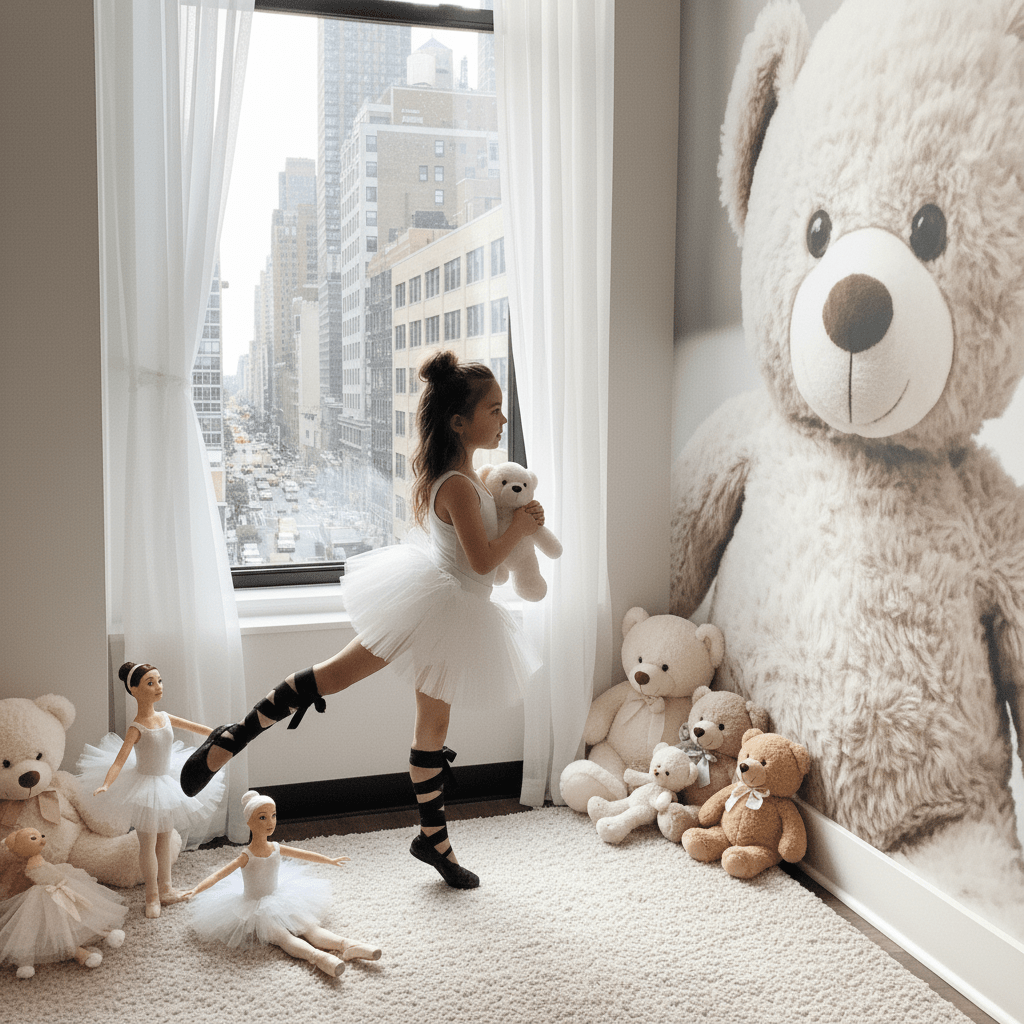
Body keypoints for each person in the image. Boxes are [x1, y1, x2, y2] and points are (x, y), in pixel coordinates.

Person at [181, 350, 544, 888]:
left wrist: (515, 515)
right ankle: (231, 738)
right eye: (494, 409)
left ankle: (434, 840)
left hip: (452, 611)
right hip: (437, 607)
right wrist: (522, 529)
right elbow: (483, 562)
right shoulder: (457, 485)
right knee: (337, 675)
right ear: (458, 422)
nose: (504, 418)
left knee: (433, 726)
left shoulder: (471, 477)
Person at [77, 661, 225, 917]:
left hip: (168, 781)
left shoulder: (165, 717)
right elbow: (120, 760)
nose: (158, 687)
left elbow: (198, 728)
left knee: (165, 839)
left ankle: (166, 889)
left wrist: (223, 735)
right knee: (147, 844)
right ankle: (151, 896)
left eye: (159, 681)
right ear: (134, 690)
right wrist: (106, 784)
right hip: (145, 787)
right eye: (150, 683)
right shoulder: (137, 727)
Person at [183, 790, 380, 978]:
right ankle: (319, 958)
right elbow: (218, 875)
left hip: (282, 897)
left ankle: (348, 945)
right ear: (249, 822)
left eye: (273, 816)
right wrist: (196, 889)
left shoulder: (276, 847)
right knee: (284, 938)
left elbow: (304, 854)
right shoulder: (246, 856)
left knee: (310, 928)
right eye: (262, 817)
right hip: (255, 908)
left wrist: (329, 860)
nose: (270, 822)